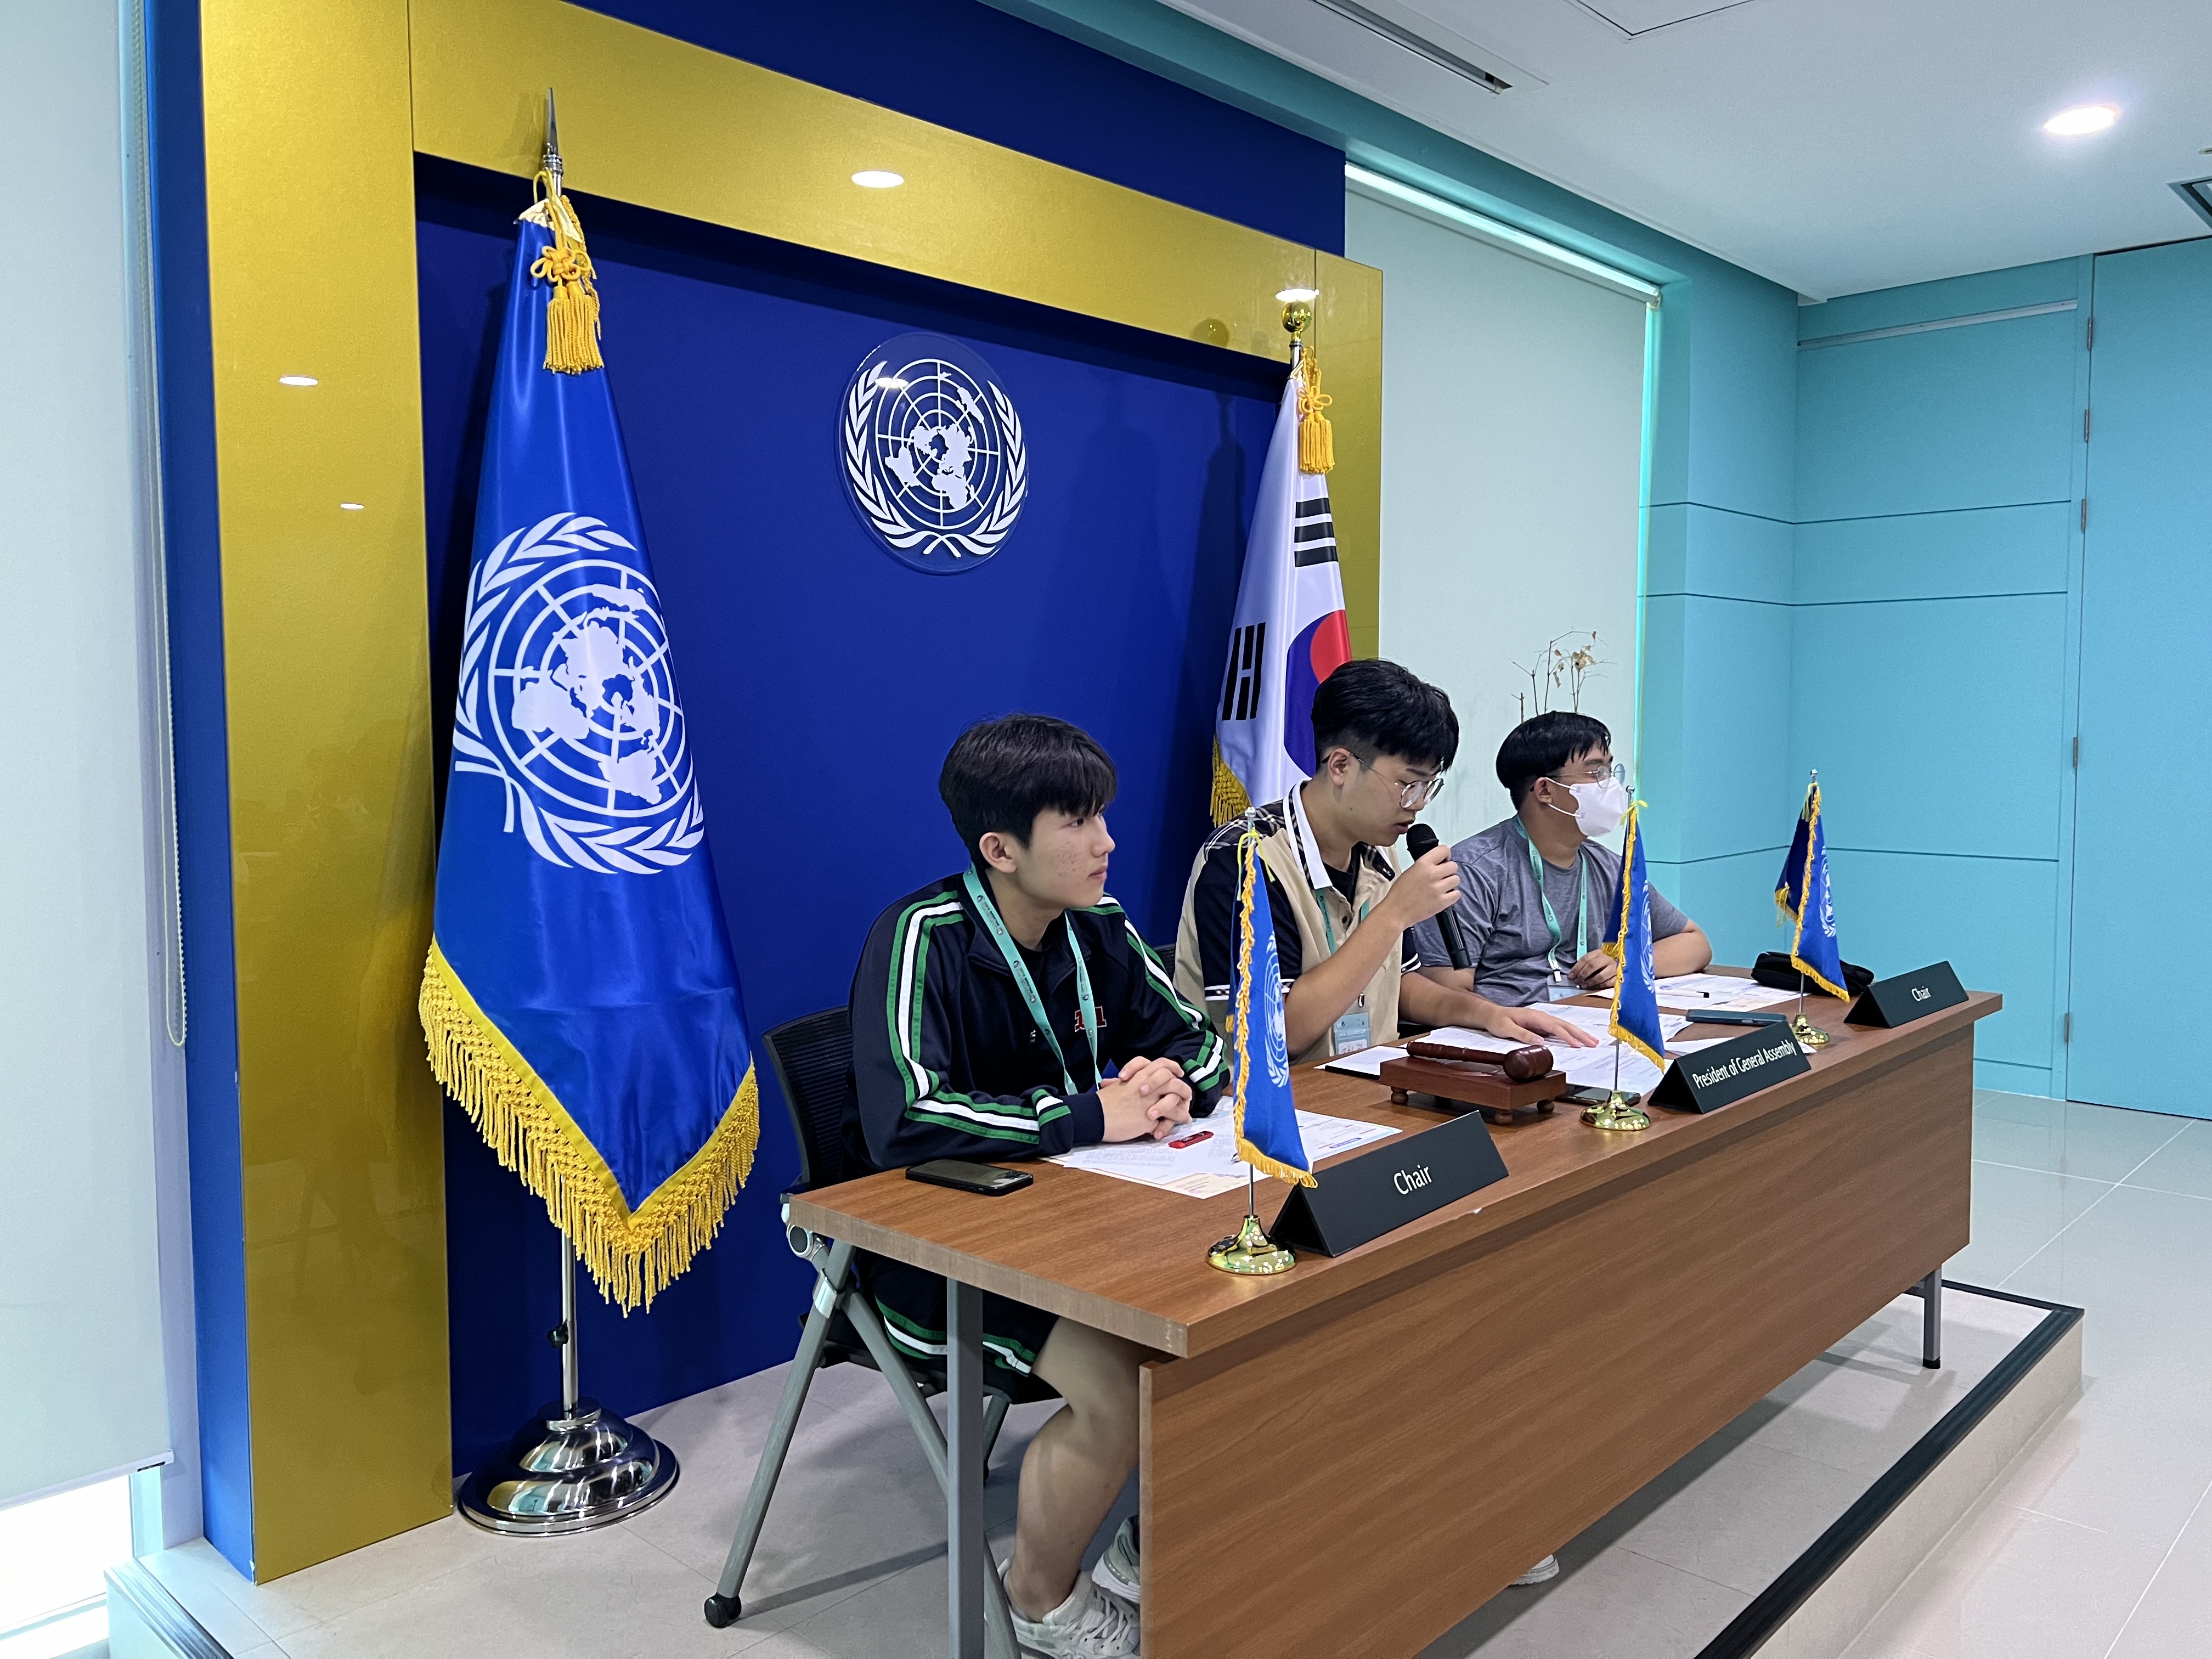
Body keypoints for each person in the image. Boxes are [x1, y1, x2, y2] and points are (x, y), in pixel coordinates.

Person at [846, 714, 1226, 1657]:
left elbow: (1201, 1039)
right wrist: (1089, 1115)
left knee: (1236, 1320)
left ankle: (1140, 1549)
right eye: (1078, 822)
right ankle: (1042, 1602)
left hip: (1086, 1222)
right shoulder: (920, 936)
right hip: (936, 1250)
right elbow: (907, 1118)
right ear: (999, 849)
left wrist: (1173, 1083)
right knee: (1125, 1386)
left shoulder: (1098, 925)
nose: (1107, 843)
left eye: (1103, 817)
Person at [1175, 659, 1596, 1066]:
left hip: (1368, 1084)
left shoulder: (1379, 851)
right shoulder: (1246, 859)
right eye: (1408, 784)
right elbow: (1279, 1033)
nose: (1418, 804)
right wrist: (1395, 913)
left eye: (1428, 787)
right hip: (1269, 1103)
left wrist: (1488, 1014)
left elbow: (1402, 986)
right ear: (1341, 765)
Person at [1414, 710, 1712, 1006]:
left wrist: (1627, 963)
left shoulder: (1609, 867)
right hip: (1513, 1026)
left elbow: (1695, 943)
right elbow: (1445, 993)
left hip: (1589, 1019)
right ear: (1545, 790)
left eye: (1610, 771)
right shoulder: (1474, 871)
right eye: (1596, 773)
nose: (1611, 785)